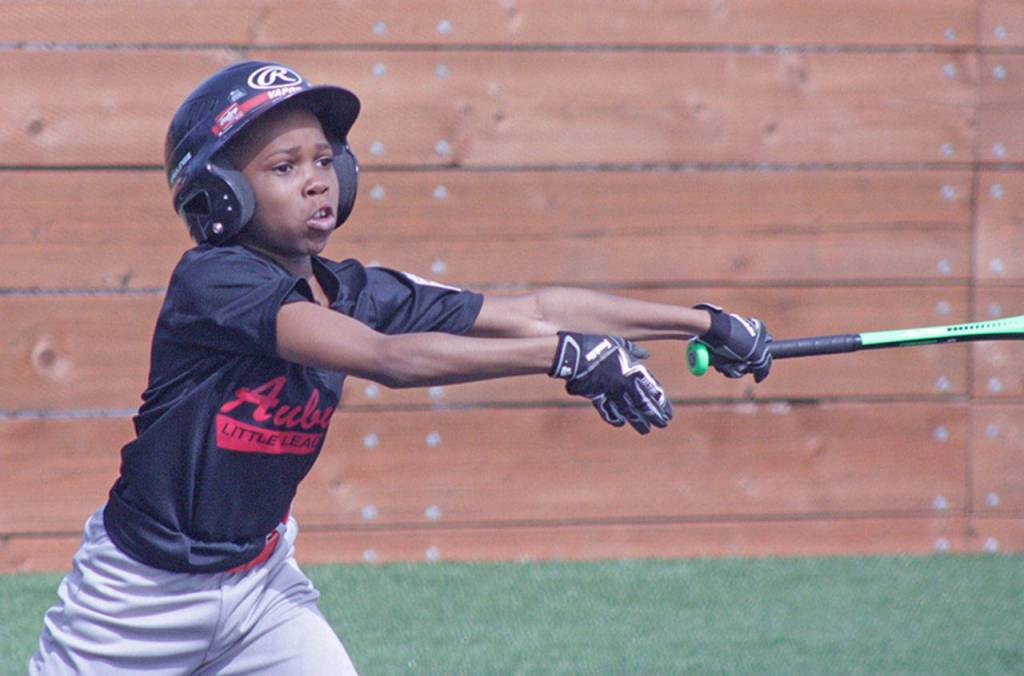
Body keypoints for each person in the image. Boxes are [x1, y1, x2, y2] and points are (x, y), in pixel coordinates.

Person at [29, 60, 772, 675]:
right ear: (218, 198)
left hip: (258, 587)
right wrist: (563, 357)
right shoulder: (212, 284)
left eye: (325, 161)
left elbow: (537, 306)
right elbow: (390, 360)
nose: (317, 179)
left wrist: (704, 322)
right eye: (285, 167)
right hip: (138, 597)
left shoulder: (352, 289)